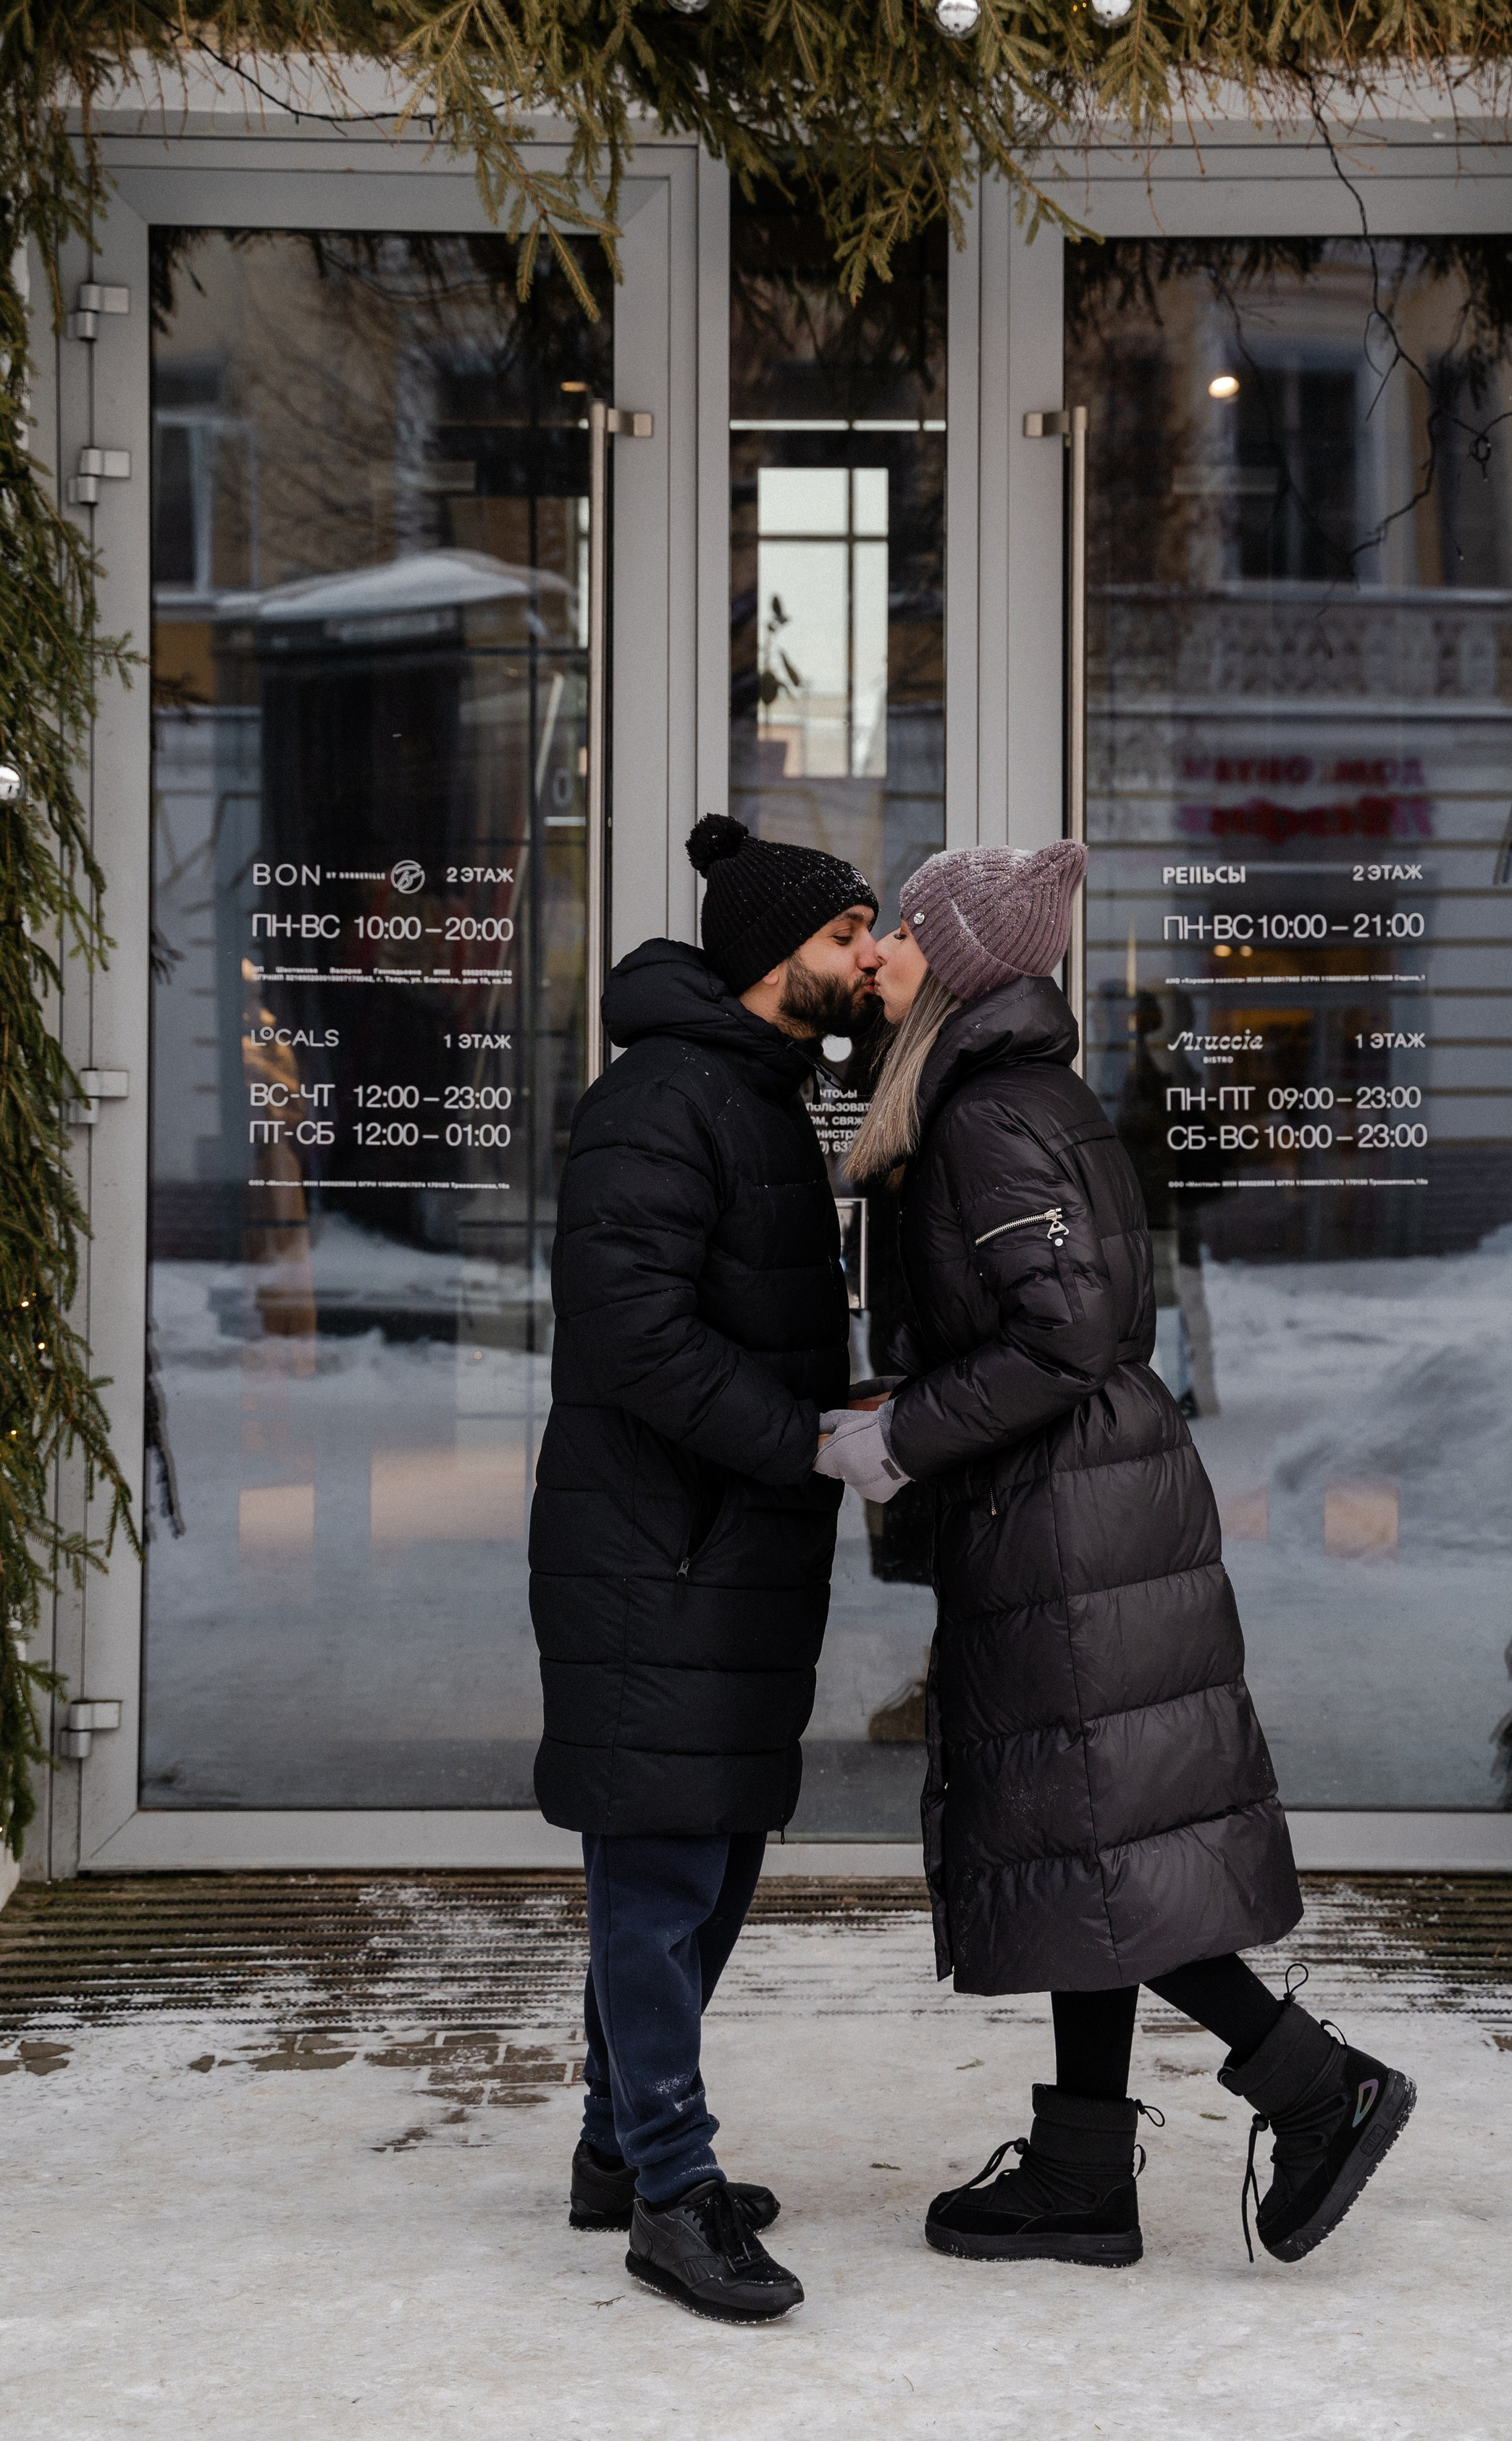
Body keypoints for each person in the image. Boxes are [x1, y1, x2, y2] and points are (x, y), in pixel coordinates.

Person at [818, 840, 1414, 2269]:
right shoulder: (995, 1091)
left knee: (1091, 1836)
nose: (879, 953)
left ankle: (1317, 2085)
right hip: (1064, 1504)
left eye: (903, 929)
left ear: (956, 962)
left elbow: (1066, 1333)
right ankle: (1084, 2170)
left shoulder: (987, 1110)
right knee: (1079, 1837)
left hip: (1063, 1514)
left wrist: (900, 1432)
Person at [529, 812, 881, 2325]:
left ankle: (620, 2146)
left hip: (715, 1545)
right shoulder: (663, 1099)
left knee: (709, 1854)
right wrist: (803, 1438)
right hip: (657, 1546)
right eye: (844, 939)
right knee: (662, 1870)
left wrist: (833, 1409)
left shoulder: (744, 1090)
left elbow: (732, 1317)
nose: (868, 961)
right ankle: (669, 2191)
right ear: (770, 962)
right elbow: (636, 1333)